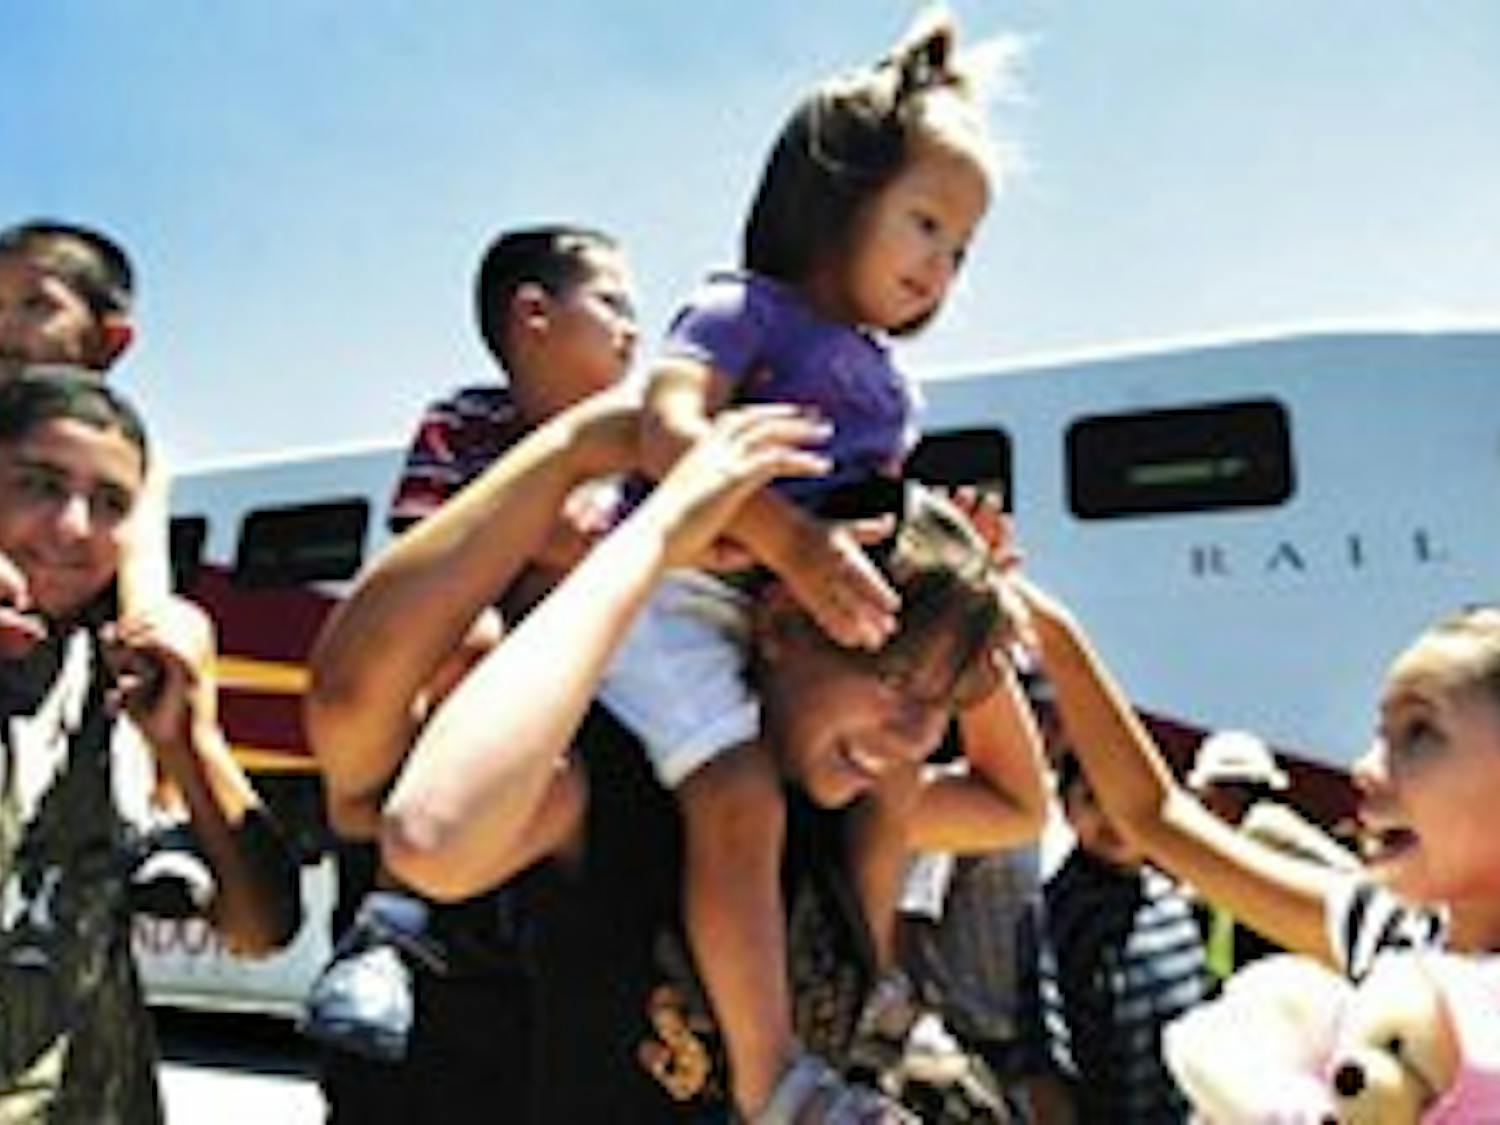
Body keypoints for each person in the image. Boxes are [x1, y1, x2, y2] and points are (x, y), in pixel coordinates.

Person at [306, 387, 1049, 1122]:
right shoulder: (615, 778)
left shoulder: (856, 810)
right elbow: (430, 833)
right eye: (892, 679)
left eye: (943, 703)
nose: (918, 734)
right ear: (781, 621)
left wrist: (969, 592)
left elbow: (1018, 805)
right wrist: (648, 532)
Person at [598, 10, 1020, 1114]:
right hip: (674, 599)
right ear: (835, 199)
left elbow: (884, 528)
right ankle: (768, 1075)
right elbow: (662, 430)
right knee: (740, 800)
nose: (942, 267)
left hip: (769, 620)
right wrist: (785, 538)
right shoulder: (743, 311)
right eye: (926, 225)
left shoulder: (890, 386)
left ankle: (854, 1005)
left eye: (962, 249)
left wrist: (964, 570)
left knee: (855, 793)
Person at [302, 226, 638, 1117]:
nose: (634, 331)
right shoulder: (465, 422)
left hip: (573, 737)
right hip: (469, 702)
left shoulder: (645, 447)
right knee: (472, 636)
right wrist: (553, 529)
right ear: (533, 313)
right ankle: (395, 919)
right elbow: (435, 559)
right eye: (613, 302)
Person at [0, 368, 299, 1121]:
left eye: (110, 504)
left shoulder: (118, 680)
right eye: (37, 484)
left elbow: (263, 927)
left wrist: (189, 743)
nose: (74, 527)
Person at [1012, 578, 1500, 1016]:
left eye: (1420, 732)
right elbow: (1153, 816)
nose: (1366, 769)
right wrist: (1054, 639)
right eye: (1381, 735)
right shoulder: (1387, 934)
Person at [1014, 751, 1210, 1123]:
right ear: (1066, 807)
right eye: (1092, 799)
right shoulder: (1053, 914)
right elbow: (1044, 1068)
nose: (1112, 817)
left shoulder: (1172, 901)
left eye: (1125, 801)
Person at [1186, 728, 1358, 984]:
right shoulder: (1257, 829)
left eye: (1208, 796)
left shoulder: (1262, 827)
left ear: (1232, 791)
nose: (1204, 806)